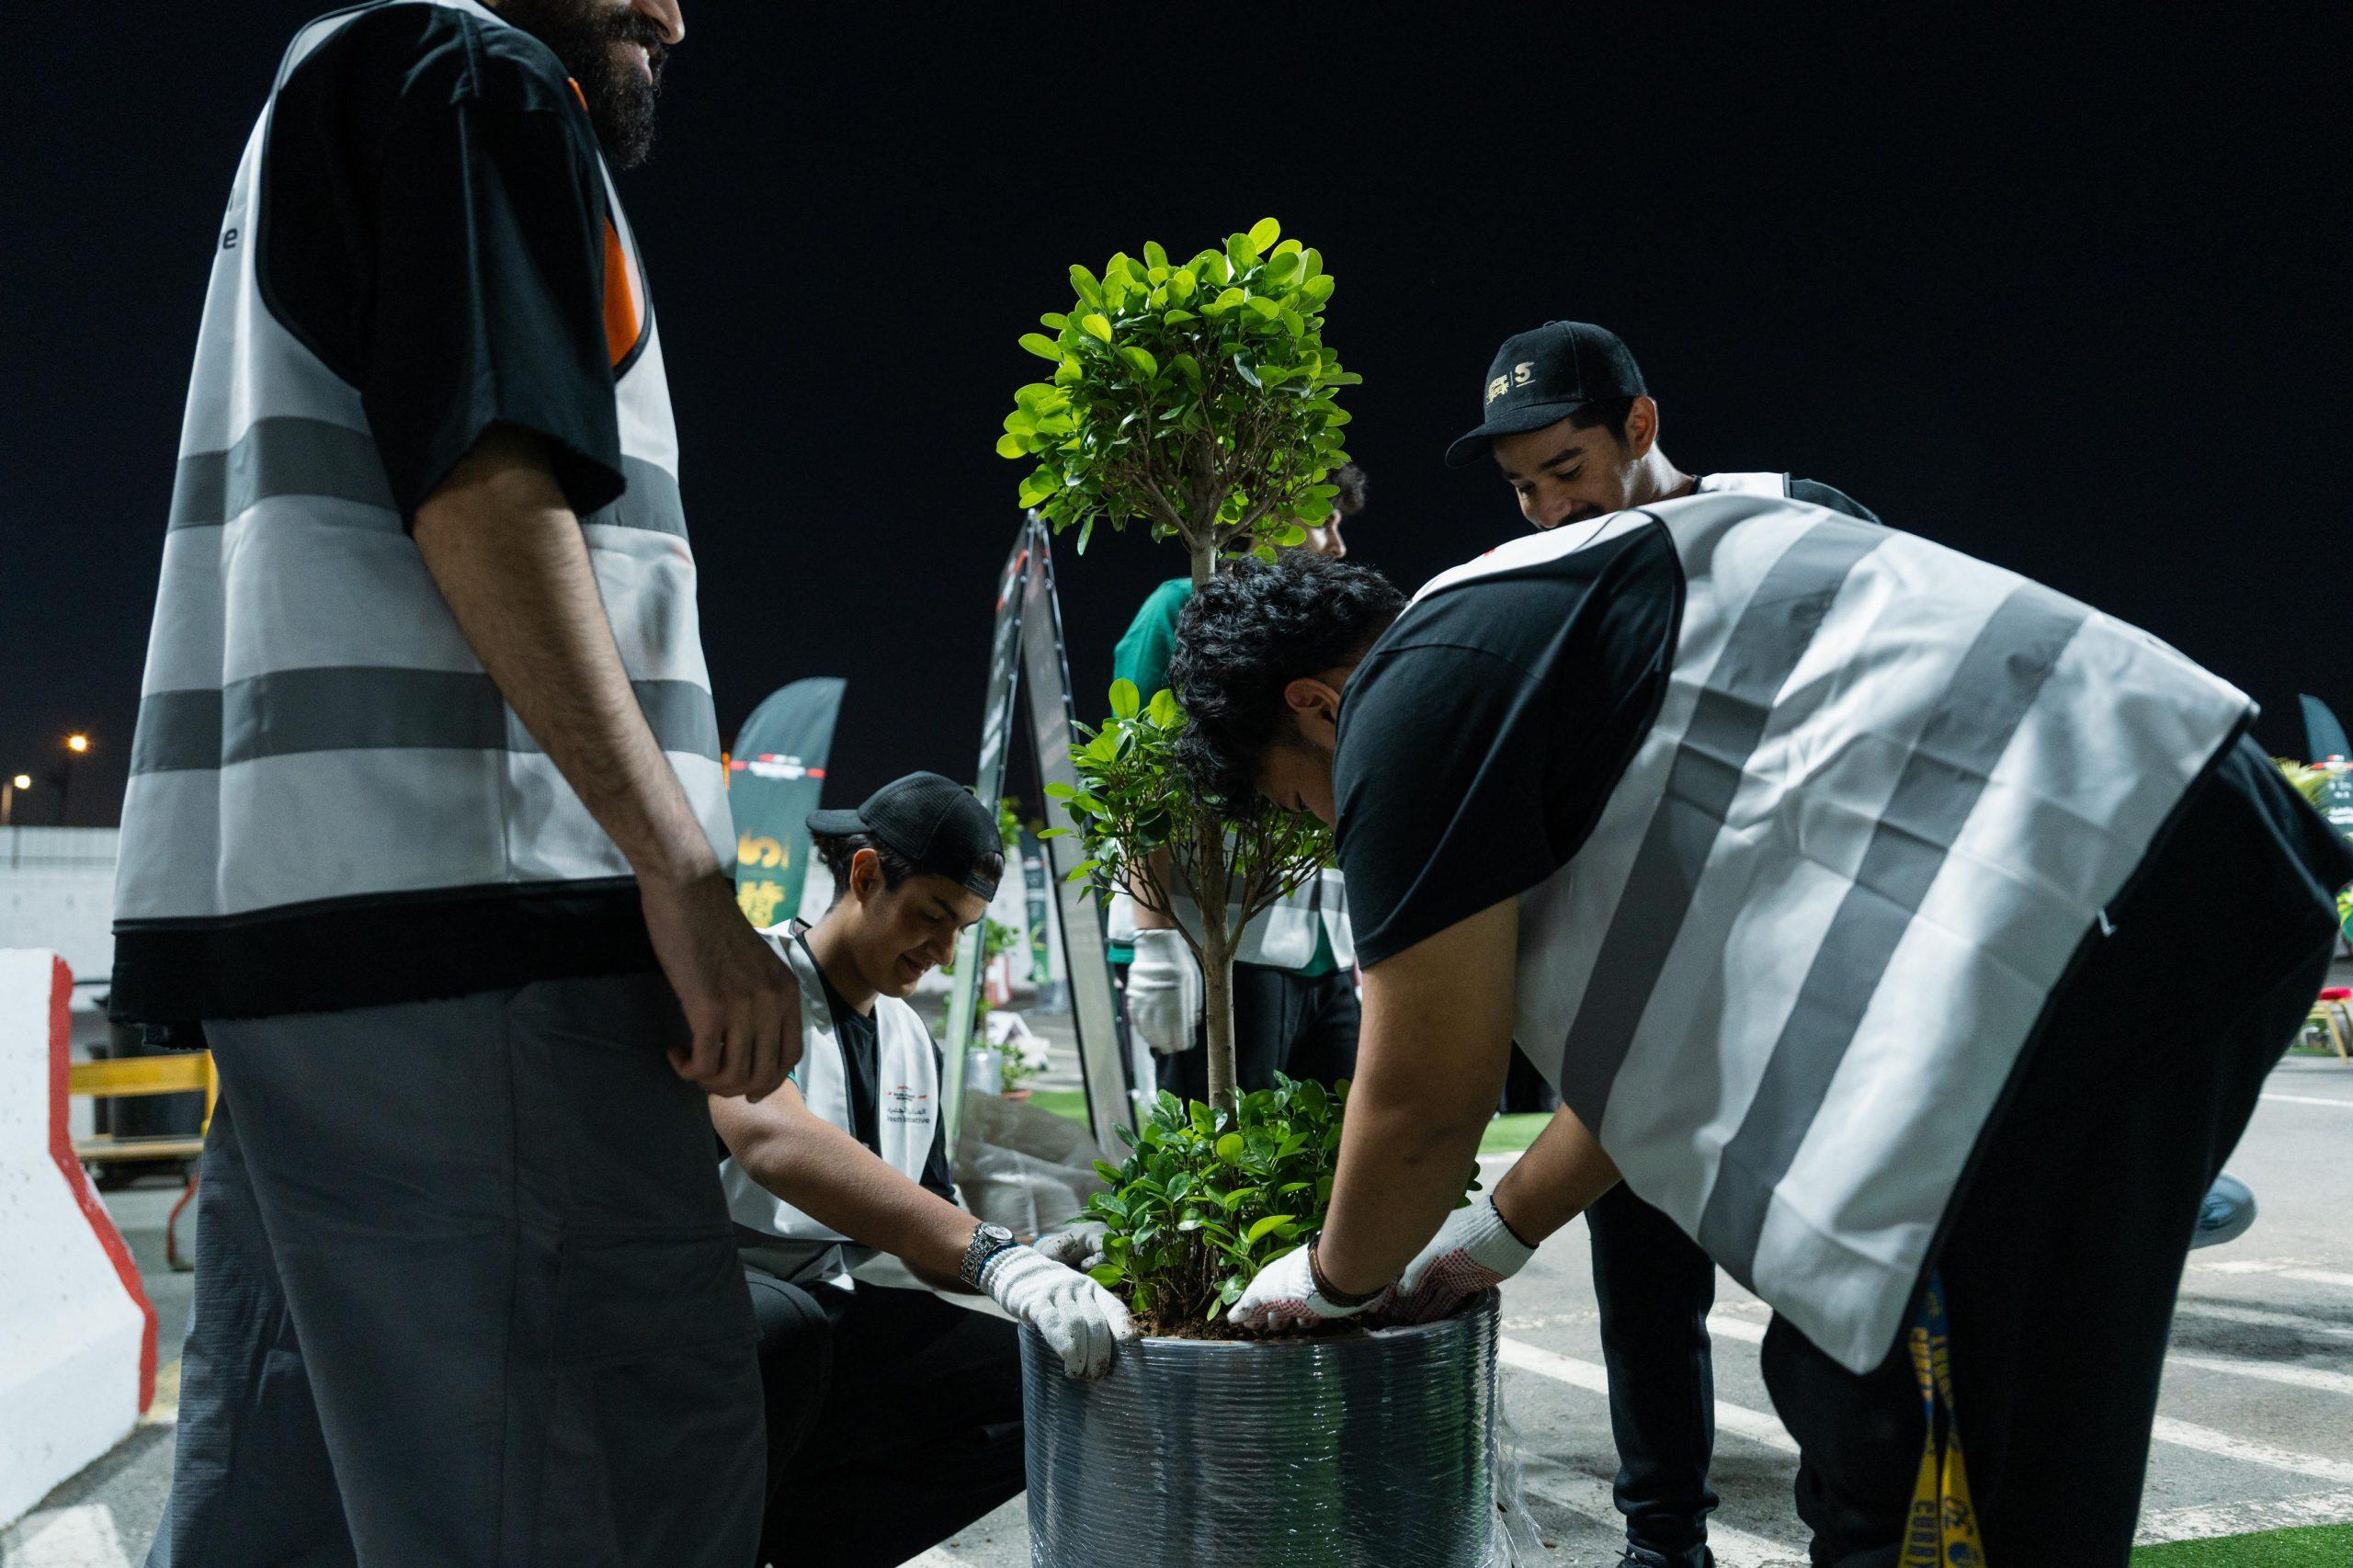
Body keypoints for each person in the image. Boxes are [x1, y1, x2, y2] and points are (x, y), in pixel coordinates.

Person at [1177, 507, 2352, 1561]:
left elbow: (1427, 1100)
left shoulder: (1408, 700)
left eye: (1300, 803)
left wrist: (1328, 1281)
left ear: (1316, 707)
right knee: (1950, 1419)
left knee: (1915, 1438)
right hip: (2172, 853)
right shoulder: (1536, 627)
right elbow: (1645, 1050)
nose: (1332, 830)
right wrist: (1496, 1231)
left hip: (2087, 895)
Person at [112, 4, 796, 1564]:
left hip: (317, 948)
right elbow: (481, 480)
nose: (671, 15)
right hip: (485, 932)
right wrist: (682, 867)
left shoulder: (332, 83)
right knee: (600, 1477)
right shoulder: (475, 74)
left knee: (291, 1495)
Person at [1449, 319, 1883, 1568]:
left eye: (1567, 468)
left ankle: (1854, 1531)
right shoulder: (1544, 584)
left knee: (1826, 1292)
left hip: (1802, 984)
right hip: (1639, 992)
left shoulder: (1797, 519)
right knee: (1643, 1287)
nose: (1548, 508)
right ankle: (1660, 1540)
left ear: (1639, 426)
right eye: (1521, 486)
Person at [713, 773, 1134, 1568]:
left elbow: (926, 1228)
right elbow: (771, 1137)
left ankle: (797, 1544)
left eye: (962, 929)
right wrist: (991, 1254)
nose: (943, 953)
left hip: (826, 1309)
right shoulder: (751, 975)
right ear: (865, 874)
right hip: (715, 1295)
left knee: (1038, 1384)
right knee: (790, 1331)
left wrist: (1031, 1258)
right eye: (933, 916)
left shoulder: (911, 1039)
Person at [1110, 464, 1368, 1102]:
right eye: (1323, 520)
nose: (1337, 545)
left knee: (1343, 1140)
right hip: (1216, 945)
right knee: (1225, 1145)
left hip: (1322, 948)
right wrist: (1154, 937)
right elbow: (1137, 781)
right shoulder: (1180, 609)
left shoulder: (1323, 638)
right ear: (1267, 514)